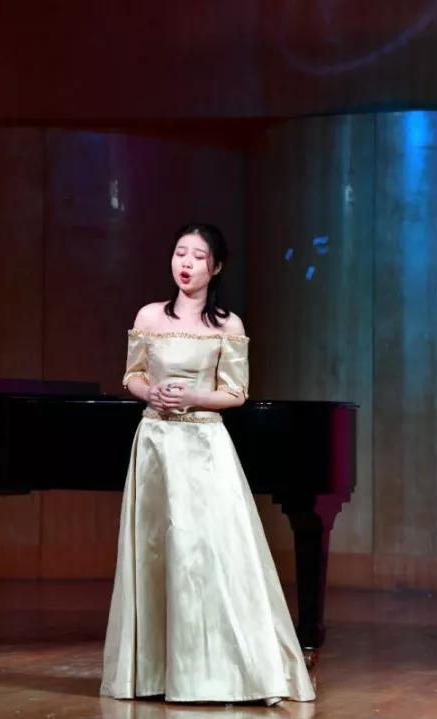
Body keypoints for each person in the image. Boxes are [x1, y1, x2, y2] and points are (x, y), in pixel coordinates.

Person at [100, 224, 315, 705]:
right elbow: (132, 375)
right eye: (180, 253)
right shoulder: (150, 316)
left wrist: (194, 397)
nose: (186, 263)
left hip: (204, 445)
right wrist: (150, 392)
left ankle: (222, 673)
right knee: (157, 552)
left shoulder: (228, 325)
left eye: (198, 256)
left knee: (209, 553)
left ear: (215, 267)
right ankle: (154, 673)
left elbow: (235, 393)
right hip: (156, 443)